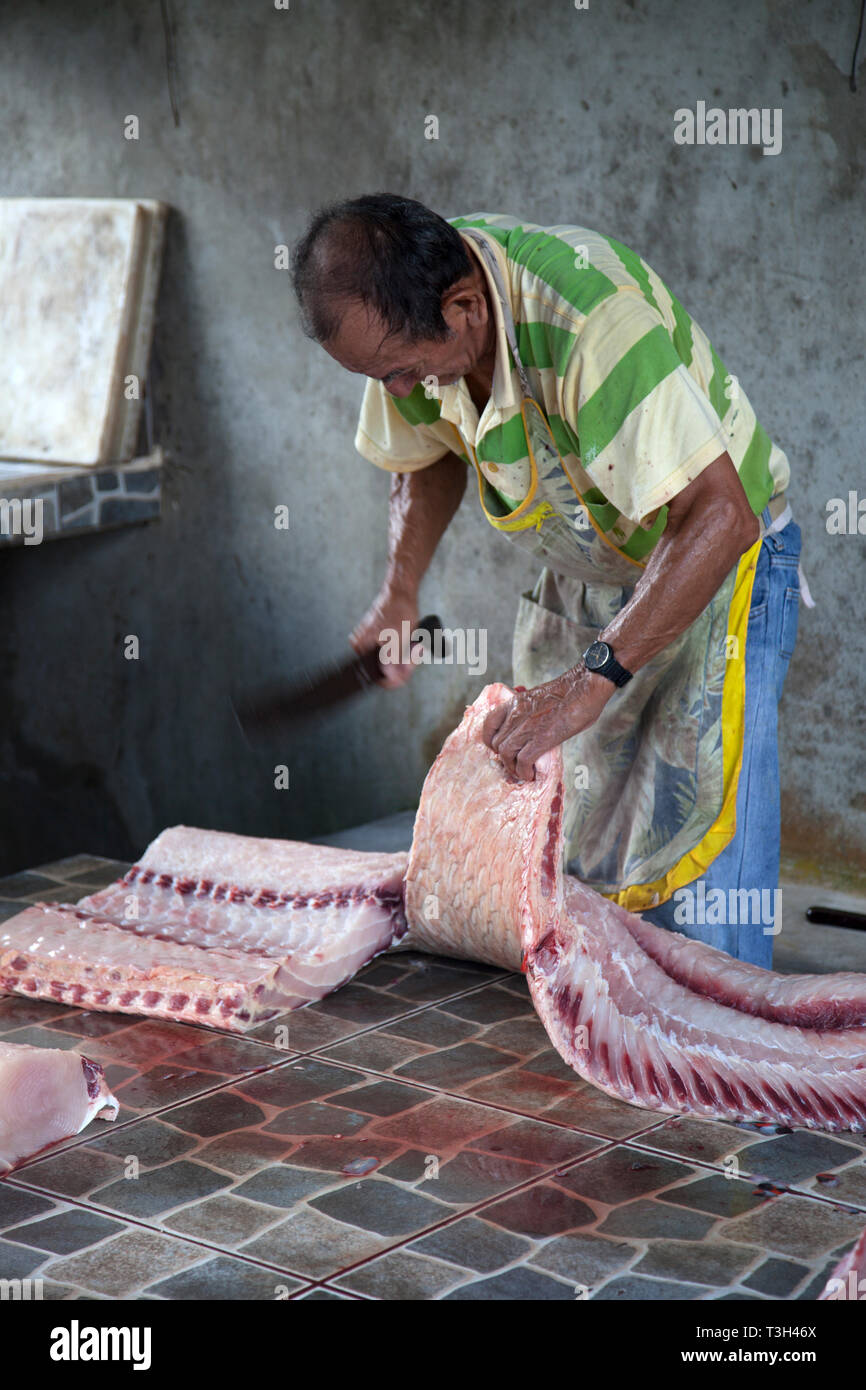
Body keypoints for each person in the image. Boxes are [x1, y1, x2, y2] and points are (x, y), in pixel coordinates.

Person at [291, 193, 810, 968]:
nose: (396, 390)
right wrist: (399, 592)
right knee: (577, 883)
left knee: (700, 900)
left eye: (399, 373)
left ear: (464, 307)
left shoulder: (588, 324)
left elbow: (719, 516)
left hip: (711, 569)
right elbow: (426, 453)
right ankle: (615, 1054)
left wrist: (588, 682)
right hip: (590, 572)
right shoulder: (400, 322)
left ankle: (714, 1073)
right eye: (378, 377)